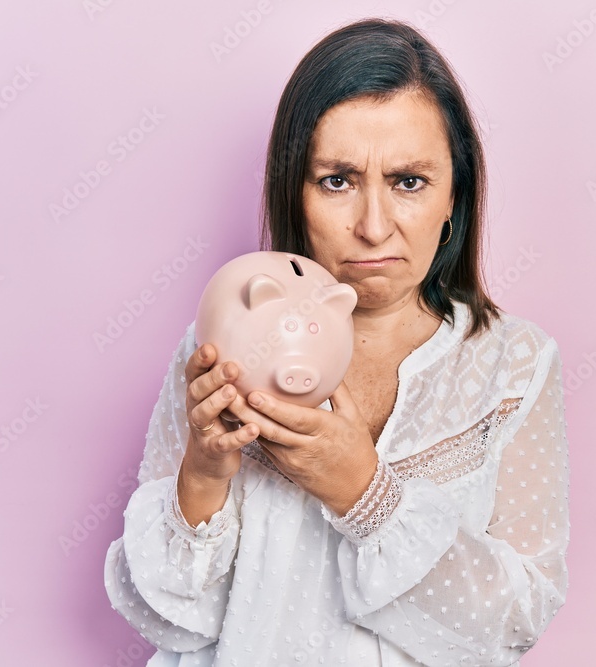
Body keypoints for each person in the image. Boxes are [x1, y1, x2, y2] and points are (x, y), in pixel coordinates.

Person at [104, 17, 570, 667]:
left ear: (453, 200)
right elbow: (167, 622)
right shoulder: (222, 343)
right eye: (337, 180)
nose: (374, 226)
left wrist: (365, 492)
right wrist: (204, 473)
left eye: (409, 181)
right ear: (294, 191)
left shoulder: (512, 366)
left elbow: (513, 623)